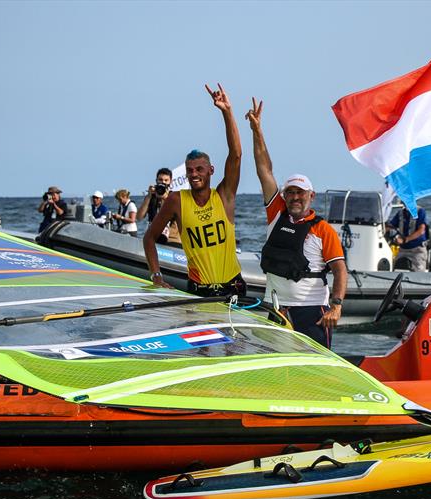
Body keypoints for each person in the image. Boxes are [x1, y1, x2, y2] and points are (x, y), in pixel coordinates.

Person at [246, 97, 347, 348]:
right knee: (278, 368)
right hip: (277, 308)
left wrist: (336, 307)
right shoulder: (277, 215)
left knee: (314, 369)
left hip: (312, 311)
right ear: (284, 195)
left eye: (300, 193)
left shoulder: (323, 230)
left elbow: (339, 270)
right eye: (290, 192)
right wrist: (257, 130)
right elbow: (264, 170)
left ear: (311, 196)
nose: (295, 197)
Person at [144, 83, 244, 297]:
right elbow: (149, 238)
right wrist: (156, 276)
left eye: (199, 169)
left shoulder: (224, 195)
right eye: (190, 170)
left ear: (211, 170)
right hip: (199, 291)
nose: (194, 174)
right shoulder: (177, 200)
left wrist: (227, 112)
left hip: (233, 288)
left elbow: (235, 155)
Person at [136, 168, 181, 245]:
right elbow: (139, 217)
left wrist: (165, 198)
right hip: (154, 238)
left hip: (172, 240)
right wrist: (149, 196)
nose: (163, 182)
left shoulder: (174, 197)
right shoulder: (151, 197)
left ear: (170, 182)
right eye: (160, 180)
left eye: (166, 180)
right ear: (156, 181)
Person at [386, 204, 428, 271]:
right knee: (397, 270)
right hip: (403, 250)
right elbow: (390, 226)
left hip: (417, 250)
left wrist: (405, 239)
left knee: (418, 274)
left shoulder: (420, 211)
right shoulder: (400, 213)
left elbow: (421, 230)